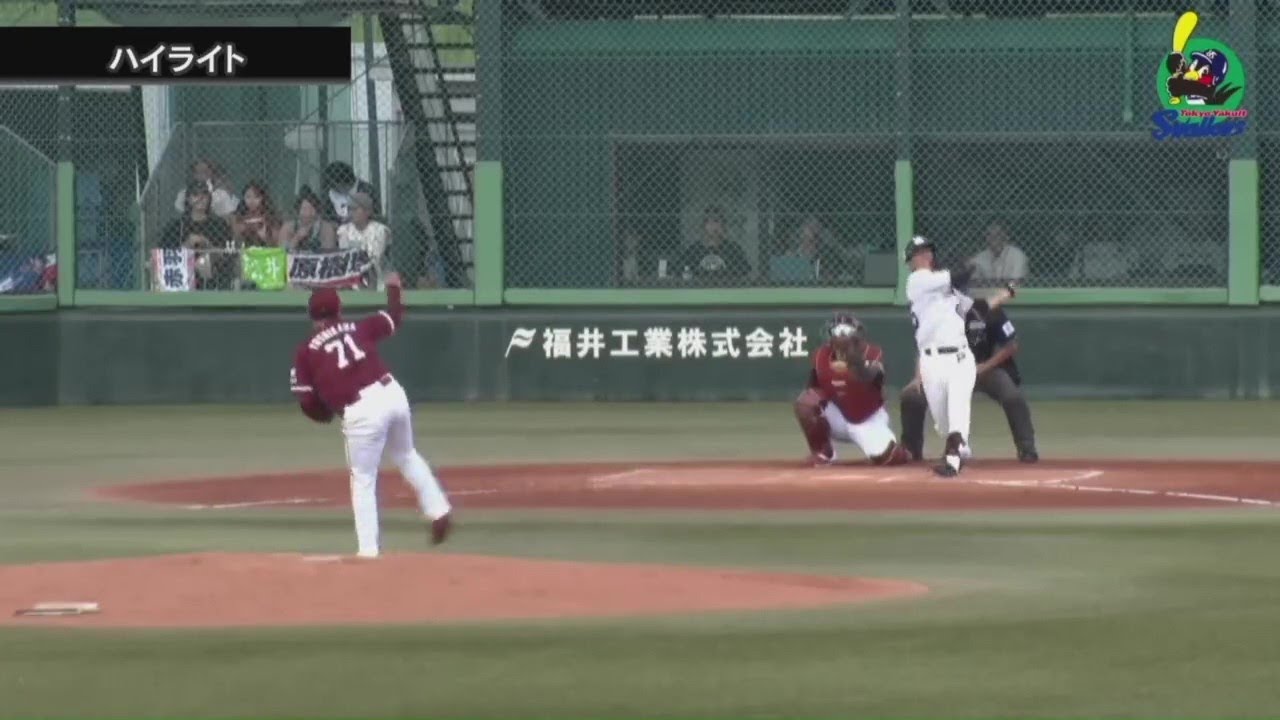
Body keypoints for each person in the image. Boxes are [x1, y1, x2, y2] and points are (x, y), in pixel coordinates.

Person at [289, 272, 453, 558]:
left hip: (361, 411)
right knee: (406, 455)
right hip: (392, 393)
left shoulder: (306, 351)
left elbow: (306, 399)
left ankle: (368, 553)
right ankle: (439, 510)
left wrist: (324, 414)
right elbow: (394, 318)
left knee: (363, 479)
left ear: (312, 317)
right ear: (339, 310)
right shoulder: (358, 327)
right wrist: (393, 289)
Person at [899, 283, 1040, 464]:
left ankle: (1027, 449)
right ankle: (911, 451)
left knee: (1012, 396)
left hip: (984, 370)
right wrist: (918, 377)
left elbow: (1011, 345)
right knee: (911, 395)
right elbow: (925, 348)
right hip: (945, 368)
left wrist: (985, 366)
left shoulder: (987, 310)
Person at [793, 311, 911, 467]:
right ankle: (824, 452)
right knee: (806, 402)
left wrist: (855, 361)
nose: (840, 336)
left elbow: (870, 376)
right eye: (836, 331)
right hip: (837, 417)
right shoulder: (821, 355)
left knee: (892, 458)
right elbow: (812, 389)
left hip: (866, 418)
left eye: (845, 331)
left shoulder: (872, 353)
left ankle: (902, 450)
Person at [904, 234, 977, 477]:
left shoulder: (948, 289)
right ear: (910, 260)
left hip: (960, 359)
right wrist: (972, 264)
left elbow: (975, 308)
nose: (925, 255)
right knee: (943, 425)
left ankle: (953, 460)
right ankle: (959, 446)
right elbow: (958, 275)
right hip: (931, 362)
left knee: (957, 414)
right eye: (919, 252)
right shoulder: (916, 280)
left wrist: (1002, 295)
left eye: (928, 250)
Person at [159, 181, 234, 290]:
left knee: (204, 262)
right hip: (182, 274)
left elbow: (228, 253)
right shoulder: (177, 225)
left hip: (212, 272)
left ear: (209, 199)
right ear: (189, 199)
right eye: (195, 195)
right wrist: (187, 245)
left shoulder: (219, 224)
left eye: (204, 195)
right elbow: (164, 256)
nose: (200, 198)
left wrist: (207, 244)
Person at [677, 206, 751, 283]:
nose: (712, 225)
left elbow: (745, 272)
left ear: (723, 225)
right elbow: (680, 270)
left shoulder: (732, 249)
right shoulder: (695, 249)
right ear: (704, 226)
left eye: (716, 221)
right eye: (708, 221)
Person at [336, 192, 392, 287]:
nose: (351, 212)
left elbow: (374, 258)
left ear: (367, 211)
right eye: (349, 209)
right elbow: (345, 257)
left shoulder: (379, 230)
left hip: (377, 277)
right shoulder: (344, 230)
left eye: (355, 209)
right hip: (351, 277)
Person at [278, 187, 338, 253]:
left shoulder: (326, 228)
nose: (308, 213)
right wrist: (297, 238)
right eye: (304, 209)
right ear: (298, 210)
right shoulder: (288, 227)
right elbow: (281, 252)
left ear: (317, 211)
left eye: (311, 209)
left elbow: (329, 252)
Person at [174, 159, 239, 219]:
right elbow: (179, 207)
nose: (204, 175)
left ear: (212, 173)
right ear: (194, 175)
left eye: (206, 171)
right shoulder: (184, 193)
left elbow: (230, 210)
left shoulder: (221, 193)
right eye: (199, 172)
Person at [968, 220, 1028, 285]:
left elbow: (1017, 281)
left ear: (1006, 237)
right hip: (988, 291)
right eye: (989, 234)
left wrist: (1003, 287)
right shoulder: (980, 257)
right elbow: (973, 281)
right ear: (986, 237)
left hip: (1012, 290)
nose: (993, 237)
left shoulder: (1017, 255)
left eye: (998, 234)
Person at [230, 180, 281, 248]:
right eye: (248, 197)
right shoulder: (239, 214)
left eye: (256, 197)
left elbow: (276, 240)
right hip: (245, 247)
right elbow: (236, 234)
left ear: (262, 198)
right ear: (243, 197)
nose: (252, 201)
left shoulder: (269, 214)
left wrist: (264, 236)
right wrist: (246, 226)